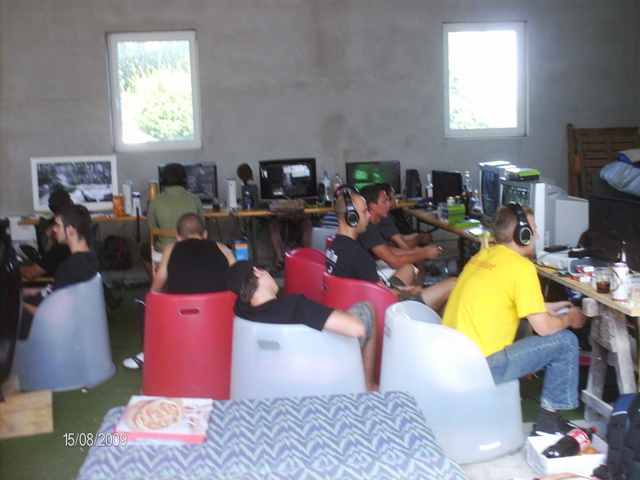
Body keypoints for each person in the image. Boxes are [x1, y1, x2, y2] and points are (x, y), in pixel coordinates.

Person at [442, 203, 587, 435]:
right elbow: (544, 329)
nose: (537, 236)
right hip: (481, 368)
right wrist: (570, 319)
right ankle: (547, 426)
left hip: (450, 362)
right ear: (523, 234)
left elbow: (499, 301)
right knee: (566, 341)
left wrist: (543, 308)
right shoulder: (521, 268)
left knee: (527, 324)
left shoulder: (483, 255)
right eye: (534, 230)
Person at [227, 259, 378, 391]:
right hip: (318, 371)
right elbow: (357, 329)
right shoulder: (295, 306)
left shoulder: (243, 312)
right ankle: (368, 385)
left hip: (273, 375)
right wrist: (339, 314)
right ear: (257, 272)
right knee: (367, 307)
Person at [123, 213, 236, 369]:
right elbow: (237, 278)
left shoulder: (170, 249)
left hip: (181, 315)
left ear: (178, 237)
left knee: (144, 299)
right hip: (217, 315)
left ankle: (150, 353)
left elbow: (156, 288)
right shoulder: (223, 248)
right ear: (205, 234)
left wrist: (162, 292)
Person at [326, 186, 455, 314]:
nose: (369, 215)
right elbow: (383, 295)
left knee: (408, 269)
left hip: (362, 299)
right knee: (452, 284)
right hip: (388, 311)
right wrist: (410, 292)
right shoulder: (358, 255)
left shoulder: (334, 247)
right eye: (365, 211)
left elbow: (377, 287)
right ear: (352, 217)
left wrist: (401, 288)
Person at [21, 204, 99, 338]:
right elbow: (52, 291)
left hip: (38, 324)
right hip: (42, 305)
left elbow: (55, 317)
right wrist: (18, 293)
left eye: (57, 225)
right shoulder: (90, 257)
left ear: (70, 230)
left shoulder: (69, 268)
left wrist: (19, 304)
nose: (53, 229)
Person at [141, 163, 204, 278]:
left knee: (144, 249)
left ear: (162, 181)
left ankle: (157, 280)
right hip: (191, 249)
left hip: (164, 251)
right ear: (185, 180)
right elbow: (202, 228)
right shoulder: (195, 200)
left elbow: (153, 233)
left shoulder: (155, 202)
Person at [19, 189, 74, 280]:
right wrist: (52, 240)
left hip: (55, 284)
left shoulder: (61, 249)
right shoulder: (83, 248)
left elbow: (30, 273)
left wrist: (10, 267)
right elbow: (48, 261)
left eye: (56, 225)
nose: (52, 229)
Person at [377, 183, 431, 249]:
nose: (395, 198)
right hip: (390, 252)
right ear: (387, 199)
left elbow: (398, 237)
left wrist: (417, 235)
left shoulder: (384, 217)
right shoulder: (383, 219)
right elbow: (406, 247)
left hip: (390, 249)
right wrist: (420, 238)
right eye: (393, 195)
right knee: (420, 249)